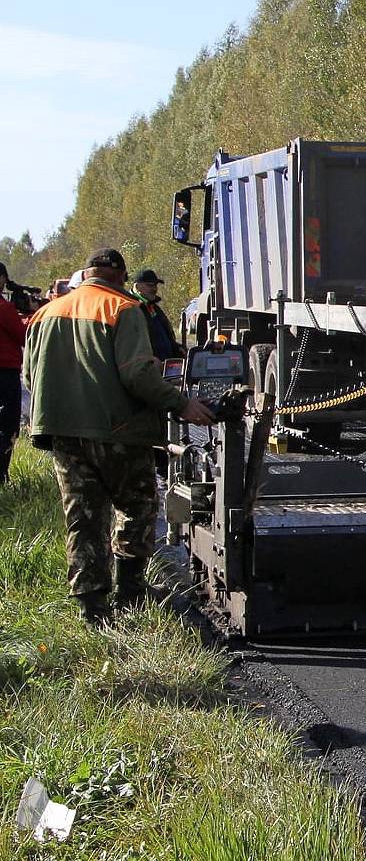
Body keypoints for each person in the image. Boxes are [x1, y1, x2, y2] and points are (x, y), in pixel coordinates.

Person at [22, 248, 213, 625]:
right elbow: (136, 376)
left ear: (85, 273)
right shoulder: (123, 310)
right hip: (119, 432)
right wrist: (180, 403)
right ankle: (130, 594)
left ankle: (92, 610)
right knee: (136, 508)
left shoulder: (45, 314)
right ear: (121, 277)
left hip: (63, 433)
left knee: (83, 518)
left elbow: (31, 377)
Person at [0, 263, 25, 486]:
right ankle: (1, 476)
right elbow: (22, 335)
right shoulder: (3, 308)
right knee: (7, 425)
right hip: (5, 373)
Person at [132, 268, 181, 362]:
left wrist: (177, 348)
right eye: (150, 285)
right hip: (148, 369)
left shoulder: (154, 307)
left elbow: (164, 336)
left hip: (163, 366)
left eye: (155, 285)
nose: (154, 289)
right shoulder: (131, 309)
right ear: (137, 287)